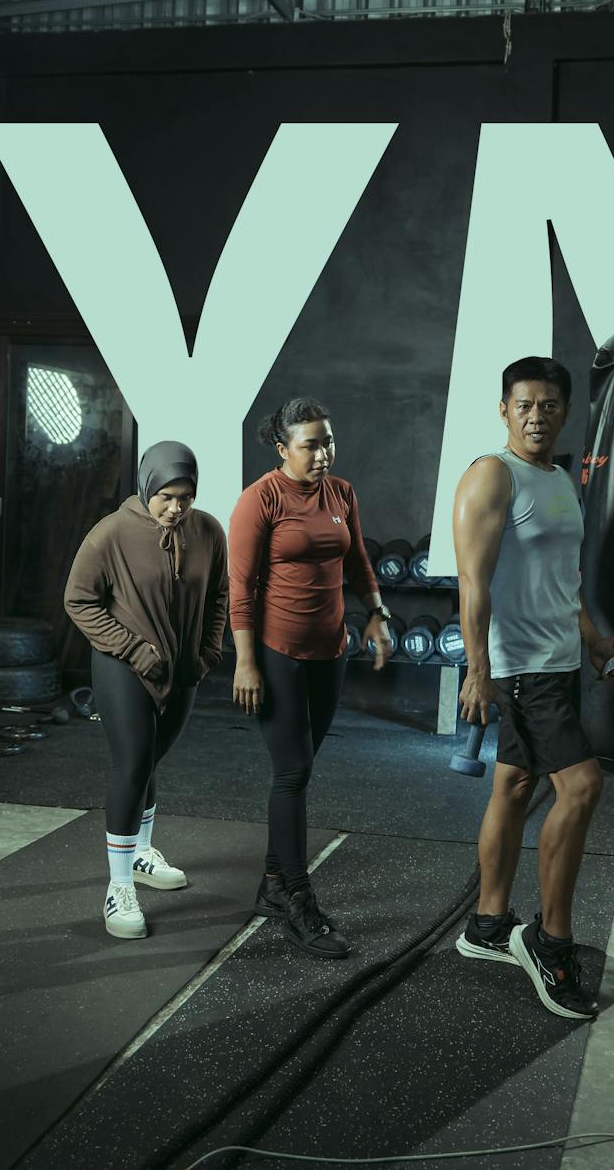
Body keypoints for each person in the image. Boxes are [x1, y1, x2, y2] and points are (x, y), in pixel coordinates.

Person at [450, 358, 614, 1019]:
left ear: (564, 411)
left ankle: (489, 925)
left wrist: (592, 638)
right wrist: (478, 668)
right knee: (581, 786)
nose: (536, 415)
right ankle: (550, 942)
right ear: (504, 409)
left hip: (557, 661)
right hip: (520, 668)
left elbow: (563, 578)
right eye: (524, 404)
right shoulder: (492, 475)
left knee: (515, 785)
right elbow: (473, 581)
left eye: (549, 405)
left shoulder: (559, 479)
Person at [229, 396, 394, 960]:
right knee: (292, 772)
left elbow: (357, 562)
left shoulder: (341, 493)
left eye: (328, 440)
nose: (323, 453)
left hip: (332, 652)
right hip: (277, 655)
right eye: (310, 444)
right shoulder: (260, 501)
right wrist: (245, 662)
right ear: (282, 448)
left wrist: (376, 612)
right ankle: (299, 900)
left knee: (302, 769)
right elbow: (241, 588)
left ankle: (274, 886)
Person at [63, 442, 229, 940]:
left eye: (186, 497)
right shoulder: (110, 534)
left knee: (151, 762)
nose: (176, 507)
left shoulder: (208, 531)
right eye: (167, 495)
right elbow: (78, 600)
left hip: (183, 670)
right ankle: (118, 888)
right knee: (133, 763)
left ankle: (139, 855)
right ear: (147, 486)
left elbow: (220, 593)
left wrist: (208, 653)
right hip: (124, 667)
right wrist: (132, 649)